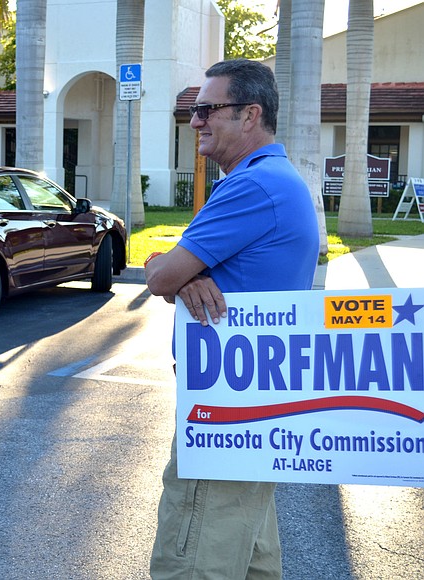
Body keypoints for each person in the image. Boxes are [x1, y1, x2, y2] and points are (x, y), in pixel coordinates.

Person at [145, 59, 319, 579]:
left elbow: (159, 279)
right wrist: (182, 274)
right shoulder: (273, 180)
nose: (194, 120)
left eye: (206, 109)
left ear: (250, 115)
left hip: (224, 411)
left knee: (191, 557)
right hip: (254, 412)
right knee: (250, 562)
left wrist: (176, 273)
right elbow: (169, 271)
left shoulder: (252, 186)